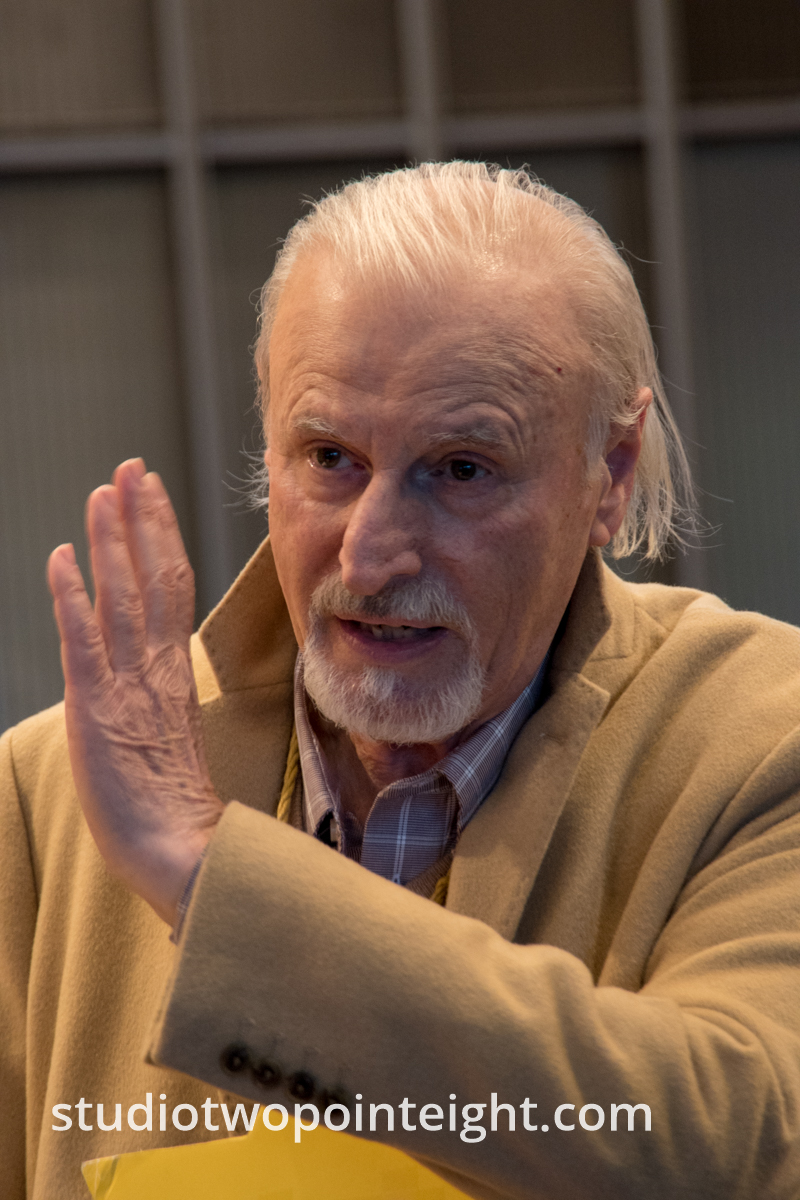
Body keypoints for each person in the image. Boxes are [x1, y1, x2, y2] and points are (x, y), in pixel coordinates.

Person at [4, 162, 800, 1199]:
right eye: (329, 457)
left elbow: (732, 1146)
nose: (371, 556)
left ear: (608, 472)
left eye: (461, 468)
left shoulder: (758, 738)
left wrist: (206, 874)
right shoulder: (50, 792)